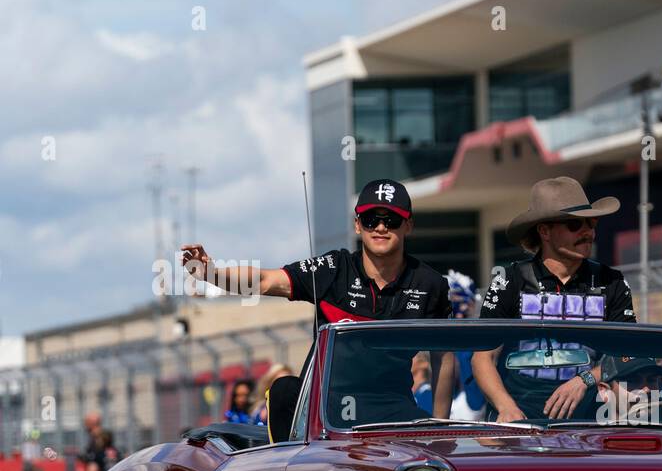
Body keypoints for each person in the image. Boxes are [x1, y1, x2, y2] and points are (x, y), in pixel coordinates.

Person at [181, 179, 457, 422]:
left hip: (392, 405)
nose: (381, 227)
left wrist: (440, 424)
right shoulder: (332, 269)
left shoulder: (429, 283)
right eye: (372, 219)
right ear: (358, 225)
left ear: (408, 225)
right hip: (326, 409)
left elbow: (443, 358)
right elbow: (265, 280)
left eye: (392, 220)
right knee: (285, 390)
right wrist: (211, 273)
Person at [473, 177, 635, 423]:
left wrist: (586, 379)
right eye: (574, 225)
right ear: (544, 231)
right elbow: (482, 356)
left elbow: (628, 354)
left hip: (588, 419)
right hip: (518, 415)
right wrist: (506, 407)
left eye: (591, 223)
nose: (587, 232)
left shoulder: (611, 281)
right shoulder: (508, 279)